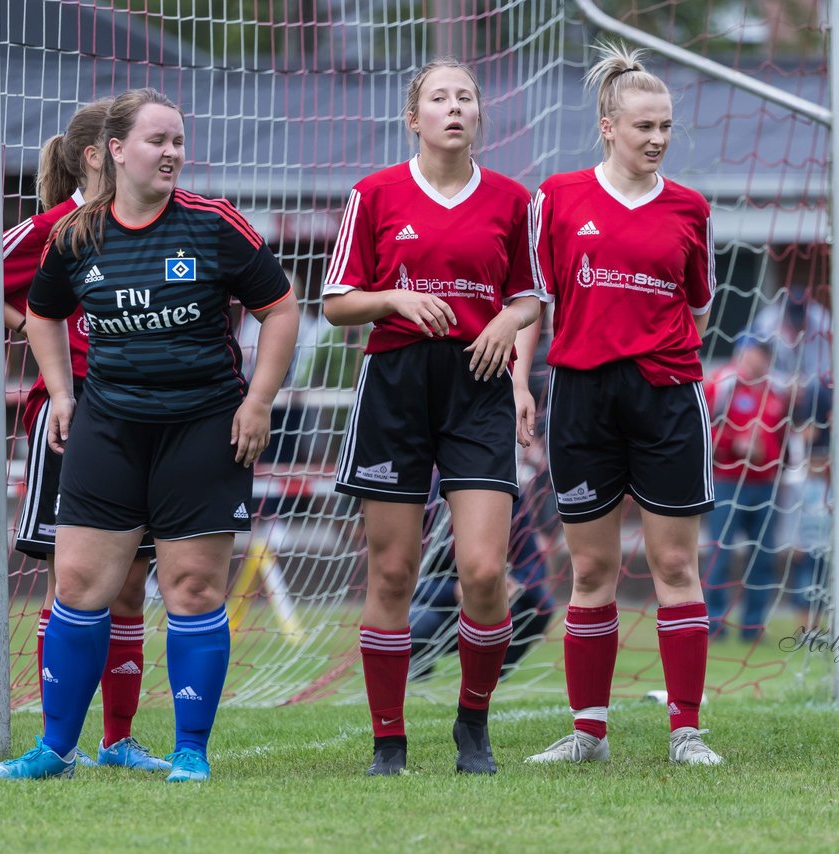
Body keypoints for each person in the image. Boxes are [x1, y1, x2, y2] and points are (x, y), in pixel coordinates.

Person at [0, 87, 299, 781]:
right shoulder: (77, 234)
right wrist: (62, 392)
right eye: (159, 141)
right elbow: (41, 312)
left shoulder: (214, 224)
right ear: (117, 151)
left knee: (191, 588)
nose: (173, 153)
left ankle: (190, 751)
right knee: (76, 582)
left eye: (179, 141)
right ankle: (55, 750)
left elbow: (280, 308)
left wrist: (259, 402)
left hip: (203, 426)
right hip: (109, 425)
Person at [321, 58, 543, 776]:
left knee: (483, 570)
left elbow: (530, 297)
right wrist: (393, 300)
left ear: (481, 116)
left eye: (466, 97)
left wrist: (508, 325)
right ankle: (389, 742)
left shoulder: (513, 201)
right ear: (413, 118)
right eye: (439, 98)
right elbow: (335, 302)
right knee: (392, 573)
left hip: (477, 386)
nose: (455, 107)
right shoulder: (374, 194)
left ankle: (472, 728)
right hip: (397, 386)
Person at [0, 101, 166, 771]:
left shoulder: (153, 223)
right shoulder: (49, 228)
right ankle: (54, 744)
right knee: (70, 586)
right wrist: (35, 328)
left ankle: (118, 740)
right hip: (71, 421)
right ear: (102, 154)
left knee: (131, 586)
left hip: (149, 418)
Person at [519, 42, 721, 766]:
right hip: (579, 397)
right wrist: (519, 381)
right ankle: (589, 733)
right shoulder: (558, 199)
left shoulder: (691, 209)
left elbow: (695, 304)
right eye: (643, 126)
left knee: (674, 564)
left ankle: (686, 731)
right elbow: (532, 304)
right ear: (608, 125)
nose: (658, 138)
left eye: (665, 126)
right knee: (592, 570)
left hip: (666, 396)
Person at [409, 494, 555, 682]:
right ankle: (418, 673)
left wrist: (515, 584)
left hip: (492, 600)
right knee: (413, 623)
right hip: (440, 606)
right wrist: (454, 590)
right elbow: (407, 582)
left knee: (541, 603)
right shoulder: (427, 498)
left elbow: (534, 564)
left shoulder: (508, 496)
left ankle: (495, 673)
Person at [702, 334, 788, 641]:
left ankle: (753, 625)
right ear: (742, 352)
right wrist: (732, 445)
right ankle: (713, 623)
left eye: (765, 354)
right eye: (755, 352)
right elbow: (703, 429)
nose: (760, 359)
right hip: (727, 482)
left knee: (762, 557)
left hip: (765, 485)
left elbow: (783, 438)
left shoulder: (775, 390)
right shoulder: (720, 384)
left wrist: (776, 460)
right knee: (720, 554)